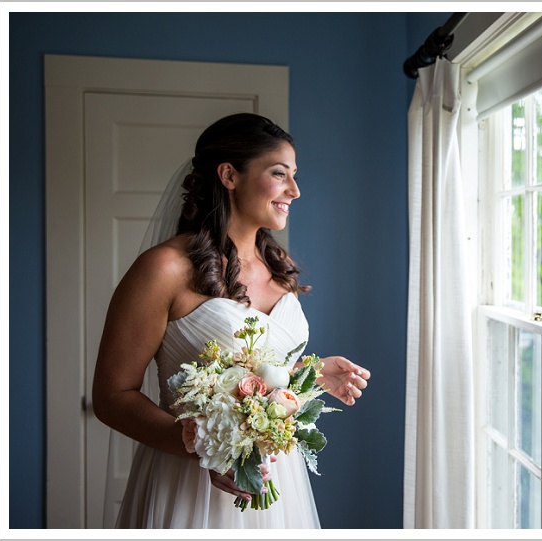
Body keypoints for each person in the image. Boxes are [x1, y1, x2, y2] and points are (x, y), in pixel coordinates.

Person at [91, 112, 370, 528]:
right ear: (229, 175)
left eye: (294, 175)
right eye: (280, 174)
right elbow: (112, 397)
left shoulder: (279, 266)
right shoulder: (164, 269)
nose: (294, 190)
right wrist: (207, 447)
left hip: (278, 483)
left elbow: (250, 377)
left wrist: (307, 374)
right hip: (186, 484)